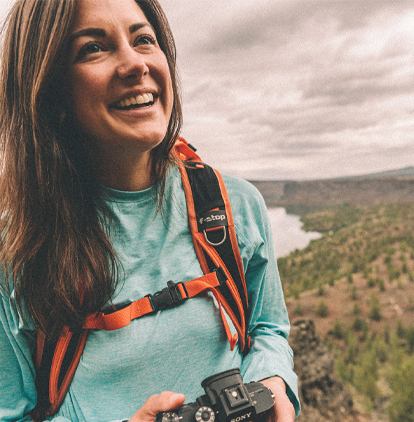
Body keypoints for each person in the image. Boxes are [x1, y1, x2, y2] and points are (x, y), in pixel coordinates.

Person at [0, 1, 300, 421]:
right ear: (50, 89)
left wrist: (272, 381)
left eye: (144, 39)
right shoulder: (16, 251)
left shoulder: (234, 207)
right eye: (93, 48)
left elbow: (267, 329)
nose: (135, 64)